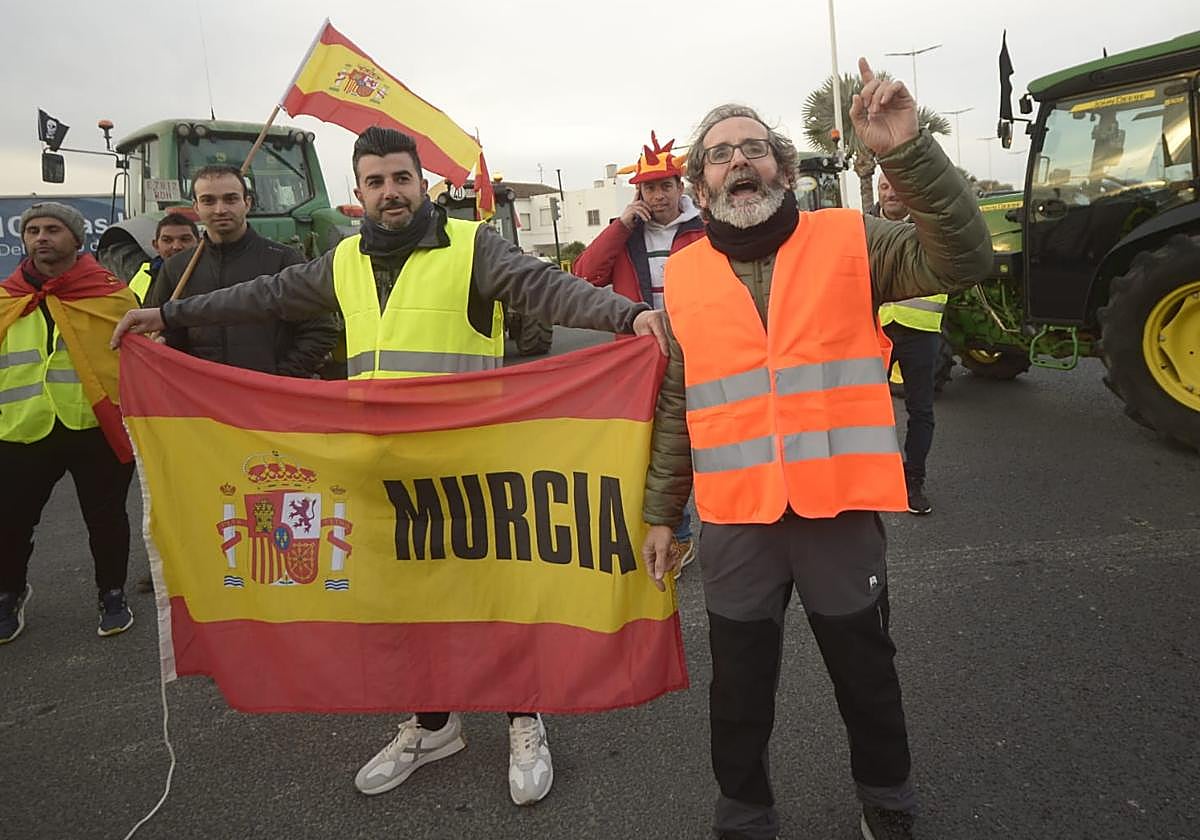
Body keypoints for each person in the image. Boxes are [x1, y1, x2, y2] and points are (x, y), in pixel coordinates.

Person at [111, 127, 668, 807]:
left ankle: (525, 716)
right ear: (359, 192)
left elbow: (547, 290)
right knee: (407, 611)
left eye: (400, 179)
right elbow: (264, 297)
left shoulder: (472, 249)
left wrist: (626, 315)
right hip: (380, 476)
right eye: (374, 183)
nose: (389, 193)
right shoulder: (340, 263)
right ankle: (432, 725)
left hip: (473, 472)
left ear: (420, 184)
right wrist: (167, 313)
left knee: (500, 600)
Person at [640, 59, 991, 840]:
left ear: (784, 167)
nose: (740, 161)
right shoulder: (686, 277)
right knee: (739, 690)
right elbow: (677, 401)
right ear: (701, 186)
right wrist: (664, 512)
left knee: (866, 676)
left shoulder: (852, 238)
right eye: (722, 153)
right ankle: (744, 817)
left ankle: (888, 805)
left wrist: (906, 150)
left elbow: (965, 260)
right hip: (736, 523)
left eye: (754, 148)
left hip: (839, 513)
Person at [0, 202, 141, 644]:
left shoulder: (112, 296)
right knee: (11, 522)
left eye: (53, 229)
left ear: (77, 239)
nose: (42, 237)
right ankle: (9, 594)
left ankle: (112, 594)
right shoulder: (6, 299)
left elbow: (141, 358)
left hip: (92, 426)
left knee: (106, 520)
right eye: (33, 230)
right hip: (21, 429)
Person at [575, 130, 705, 574]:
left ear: (679, 188)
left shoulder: (705, 229)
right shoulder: (626, 235)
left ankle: (728, 527)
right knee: (655, 448)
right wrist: (622, 225)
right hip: (642, 359)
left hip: (704, 351)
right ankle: (678, 535)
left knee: (706, 440)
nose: (659, 195)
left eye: (666, 186)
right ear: (639, 192)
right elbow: (585, 275)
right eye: (650, 187)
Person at [145, 164, 339, 379]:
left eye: (230, 199)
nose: (220, 209)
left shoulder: (283, 259)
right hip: (201, 400)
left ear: (247, 203)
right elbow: (164, 331)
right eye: (208, 200)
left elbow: (321, 329)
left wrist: (283, 376)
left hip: (267, 397)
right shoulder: (177, 268)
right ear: (196, 207)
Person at [871, 172, 947, 515]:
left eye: (896, 187)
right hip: (874, 330)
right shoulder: (862, 228)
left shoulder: (930, 228)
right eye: (884, 187)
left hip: (921, 330)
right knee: (866, 412)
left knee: (921, 411)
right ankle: (869, 482)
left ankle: (912, 482)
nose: (890, 194)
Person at [128, 213, 199, 303]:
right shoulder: (143, 274)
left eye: (185, 239)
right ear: (156, 245)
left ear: (199, 243)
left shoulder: (212, 272)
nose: (176, 246)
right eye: (167, 240)